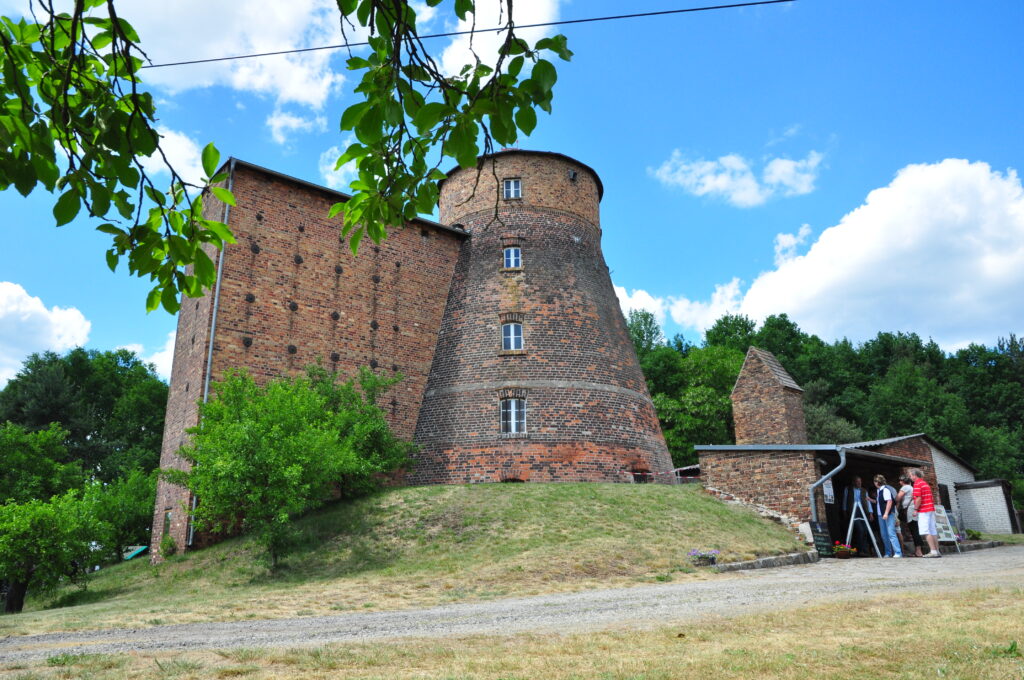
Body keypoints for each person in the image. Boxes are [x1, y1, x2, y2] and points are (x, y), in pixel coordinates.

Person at [842, 476, 876, 557]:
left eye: (860, 481)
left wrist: (871, 513)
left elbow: (868, 502)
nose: (859, 483)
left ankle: (864, 550)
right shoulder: (848, 489)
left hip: (863, 511)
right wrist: (844, 511)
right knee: (860, 530)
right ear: (853, 482)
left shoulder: (864, 491)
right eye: (857, 481)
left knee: (865, 530)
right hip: (853, 511)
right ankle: (859, 550)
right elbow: (845, 500)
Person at [911, 468, 941, 558]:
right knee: (933, 530)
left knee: (925, 531)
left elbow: (918, 498)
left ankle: (933, 551)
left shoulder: (917, 484)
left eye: (910, 475)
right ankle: (937, 551)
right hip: (930, 508)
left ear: (914, 476)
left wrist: (915, 509)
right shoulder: (924, 483)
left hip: (924, 510)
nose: (910, 477)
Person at [873, 474, 902, 558]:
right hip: (880, 515)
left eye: (874, 481)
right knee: (884, 534)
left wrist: (886, 513)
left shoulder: (885, 490)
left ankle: (898, 552)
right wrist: (870, 499)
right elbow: (879, 503)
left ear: (877, 482)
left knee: (891, 533)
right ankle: (888, 552)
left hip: (888, 514)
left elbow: (889, 502)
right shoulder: (879, 491)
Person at [896, 474, 924, 557]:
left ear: (902, 481)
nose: (899, 482)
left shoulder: (905, 487)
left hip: (910, 510)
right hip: (913, 509)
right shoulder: (912, 488)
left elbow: (897, 498)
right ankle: (918, 550)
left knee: (914, 530)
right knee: (915, 529)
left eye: (900, 481)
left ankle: (918, 551)